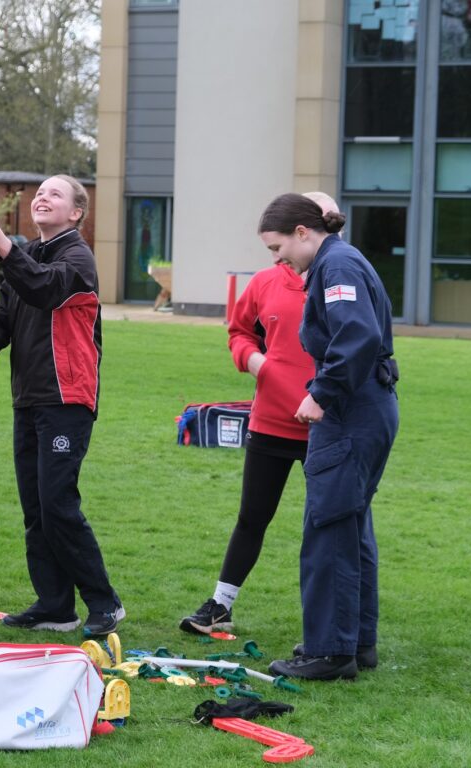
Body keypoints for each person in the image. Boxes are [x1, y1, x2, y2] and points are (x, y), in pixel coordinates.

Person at [179, 193, 340, 637]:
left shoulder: (340, 278)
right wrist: (255, 362)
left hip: (325, 426)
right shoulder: (266, 282)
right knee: (252, 517)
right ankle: (219, 605)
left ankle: (331, 624)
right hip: (270, 421)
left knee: (329, 522)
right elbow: (238, 332)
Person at [256, 193, 399, 681]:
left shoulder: (335, 267)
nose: (277, 260)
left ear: (302, 232)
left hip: (350, 408)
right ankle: (356, 642)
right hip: (367, 404)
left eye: (278, 248)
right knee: (351, 526)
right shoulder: (340, 262)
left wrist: (321, 393)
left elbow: (355, 337)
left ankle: (329, 651)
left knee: (328, 526)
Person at [0, 175, 124, 637]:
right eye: (39, 192)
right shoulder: (26, 261)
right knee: (36, 508)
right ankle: (56, 605)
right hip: (29, 399)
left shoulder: (76, 258)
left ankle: (105, 602)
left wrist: (2, 246)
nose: (42, 196)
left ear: (76, 213)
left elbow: (43, 288)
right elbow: (2, 326)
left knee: (58, 503)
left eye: (55, 193)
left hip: (67, 397)